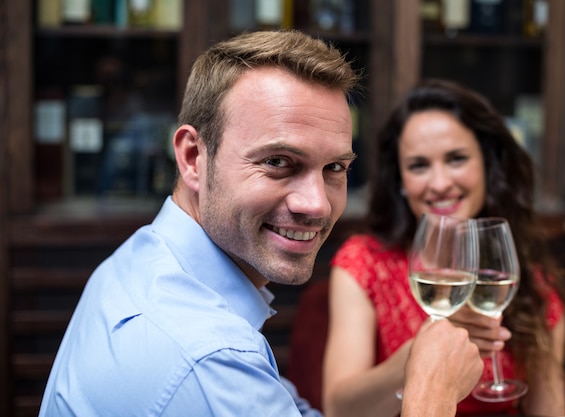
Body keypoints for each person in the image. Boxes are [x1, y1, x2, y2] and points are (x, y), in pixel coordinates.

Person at [38, 32, 483, 417]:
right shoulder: (210, 358)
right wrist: (432, 392)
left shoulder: (143, 257)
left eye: (334, 168)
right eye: (277, 162)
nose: (317, 205)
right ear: (193, 157)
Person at [323, 79, 565, 417]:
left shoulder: (528, 282)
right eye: (419, 165)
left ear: (487, 166)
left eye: (456, 159)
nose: (439, 184)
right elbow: (338, 410)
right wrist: (419, 356)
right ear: (402, 182)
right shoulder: (364, 262)